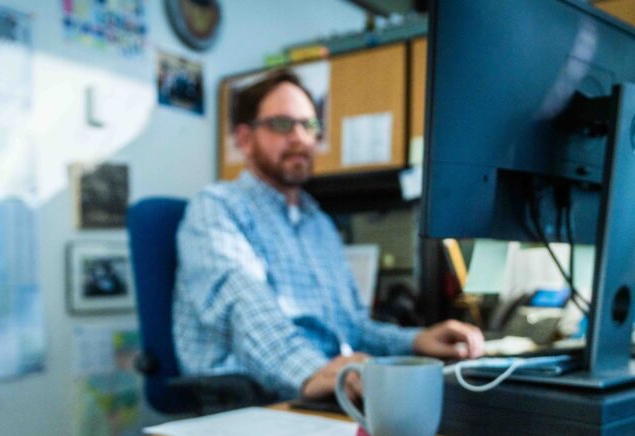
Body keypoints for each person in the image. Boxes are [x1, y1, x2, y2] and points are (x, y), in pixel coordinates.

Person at [173, 70, 484, 400]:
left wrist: (416, 341)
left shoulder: (319, 224)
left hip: (324, 385)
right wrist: (313, 372)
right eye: (282, 124)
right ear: (245, 139)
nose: (300, 138)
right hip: (255, 398)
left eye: (309, 125)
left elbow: (351, 327)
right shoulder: (218, 207)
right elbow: (248, 313)